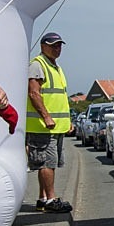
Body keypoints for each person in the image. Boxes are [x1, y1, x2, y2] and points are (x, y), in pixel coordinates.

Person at [26, 32, 73, 212]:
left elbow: (60, 98)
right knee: (47, 163)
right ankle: (51, 200)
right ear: (43, 46)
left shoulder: (55, 67)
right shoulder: (38, 65)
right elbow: (34, 93)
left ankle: (43, 198)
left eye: (59, 45)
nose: (57, 48)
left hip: (55, 127)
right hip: (42, 126)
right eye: (53, 45)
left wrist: (67, 121)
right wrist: (45, 116)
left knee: (48, 163)